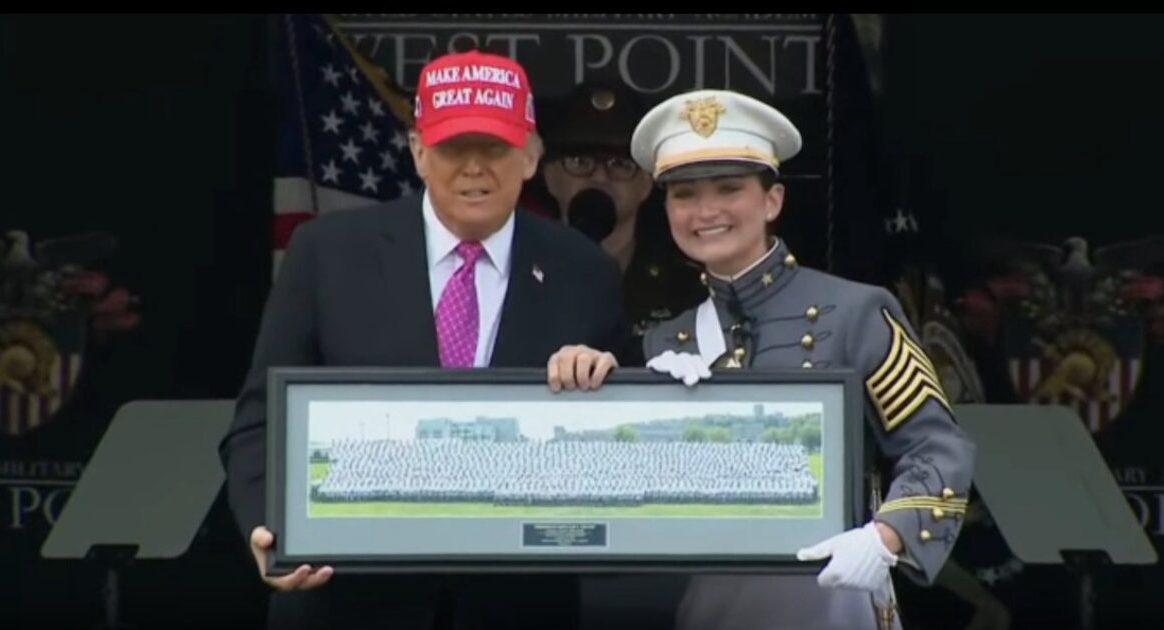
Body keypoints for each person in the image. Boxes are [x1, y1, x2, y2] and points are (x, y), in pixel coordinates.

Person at [218, 49, 624, 630]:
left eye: (495, 148)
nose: (474, 168)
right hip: (347, 603)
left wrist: (600, 394)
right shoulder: (327, 253)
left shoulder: (585, 271)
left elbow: (619, 449)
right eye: (454, 148)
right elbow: (260, 423)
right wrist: (271, 527)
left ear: (532, 155)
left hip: (515, 606)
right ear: (417, 152)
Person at [549, 89, 977, 630]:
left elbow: (938, 447)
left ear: (772, 201)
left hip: (831, 602)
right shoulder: (663, 343)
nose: (706, 211)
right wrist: (590, 382)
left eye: (729, 189)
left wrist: (885, 537)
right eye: (685, 194)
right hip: (710, 608)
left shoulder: (858, 311)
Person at [534, 80, 708, 362]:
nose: (600, 177)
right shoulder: (520, 273)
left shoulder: (686, 287)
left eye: (620, 165)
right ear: (550, 176)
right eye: (580, 162)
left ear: (647, 183)